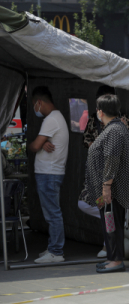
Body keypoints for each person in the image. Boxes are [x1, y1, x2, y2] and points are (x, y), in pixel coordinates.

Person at [80, 85, 129, 258]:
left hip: (112, 191)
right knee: (110, 225)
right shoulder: (115, 128)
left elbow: (111, 159)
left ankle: (115, 259)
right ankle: (113, 257)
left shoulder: (113, 130)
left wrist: (106, 188)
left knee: (112, 225)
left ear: (101, 111)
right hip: (110, 190)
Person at [28, 86, 69, 264]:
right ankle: (53, 247)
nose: (34, 109)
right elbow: (41, 143)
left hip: (49, 173)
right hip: (50, 173)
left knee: (53, 214)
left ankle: (56, 251)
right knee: (52, 213)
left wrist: (38, 143)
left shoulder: (51, 120)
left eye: (33, 105)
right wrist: (42, 142)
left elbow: (34, 146)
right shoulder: (55, 119)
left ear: (39, 102)